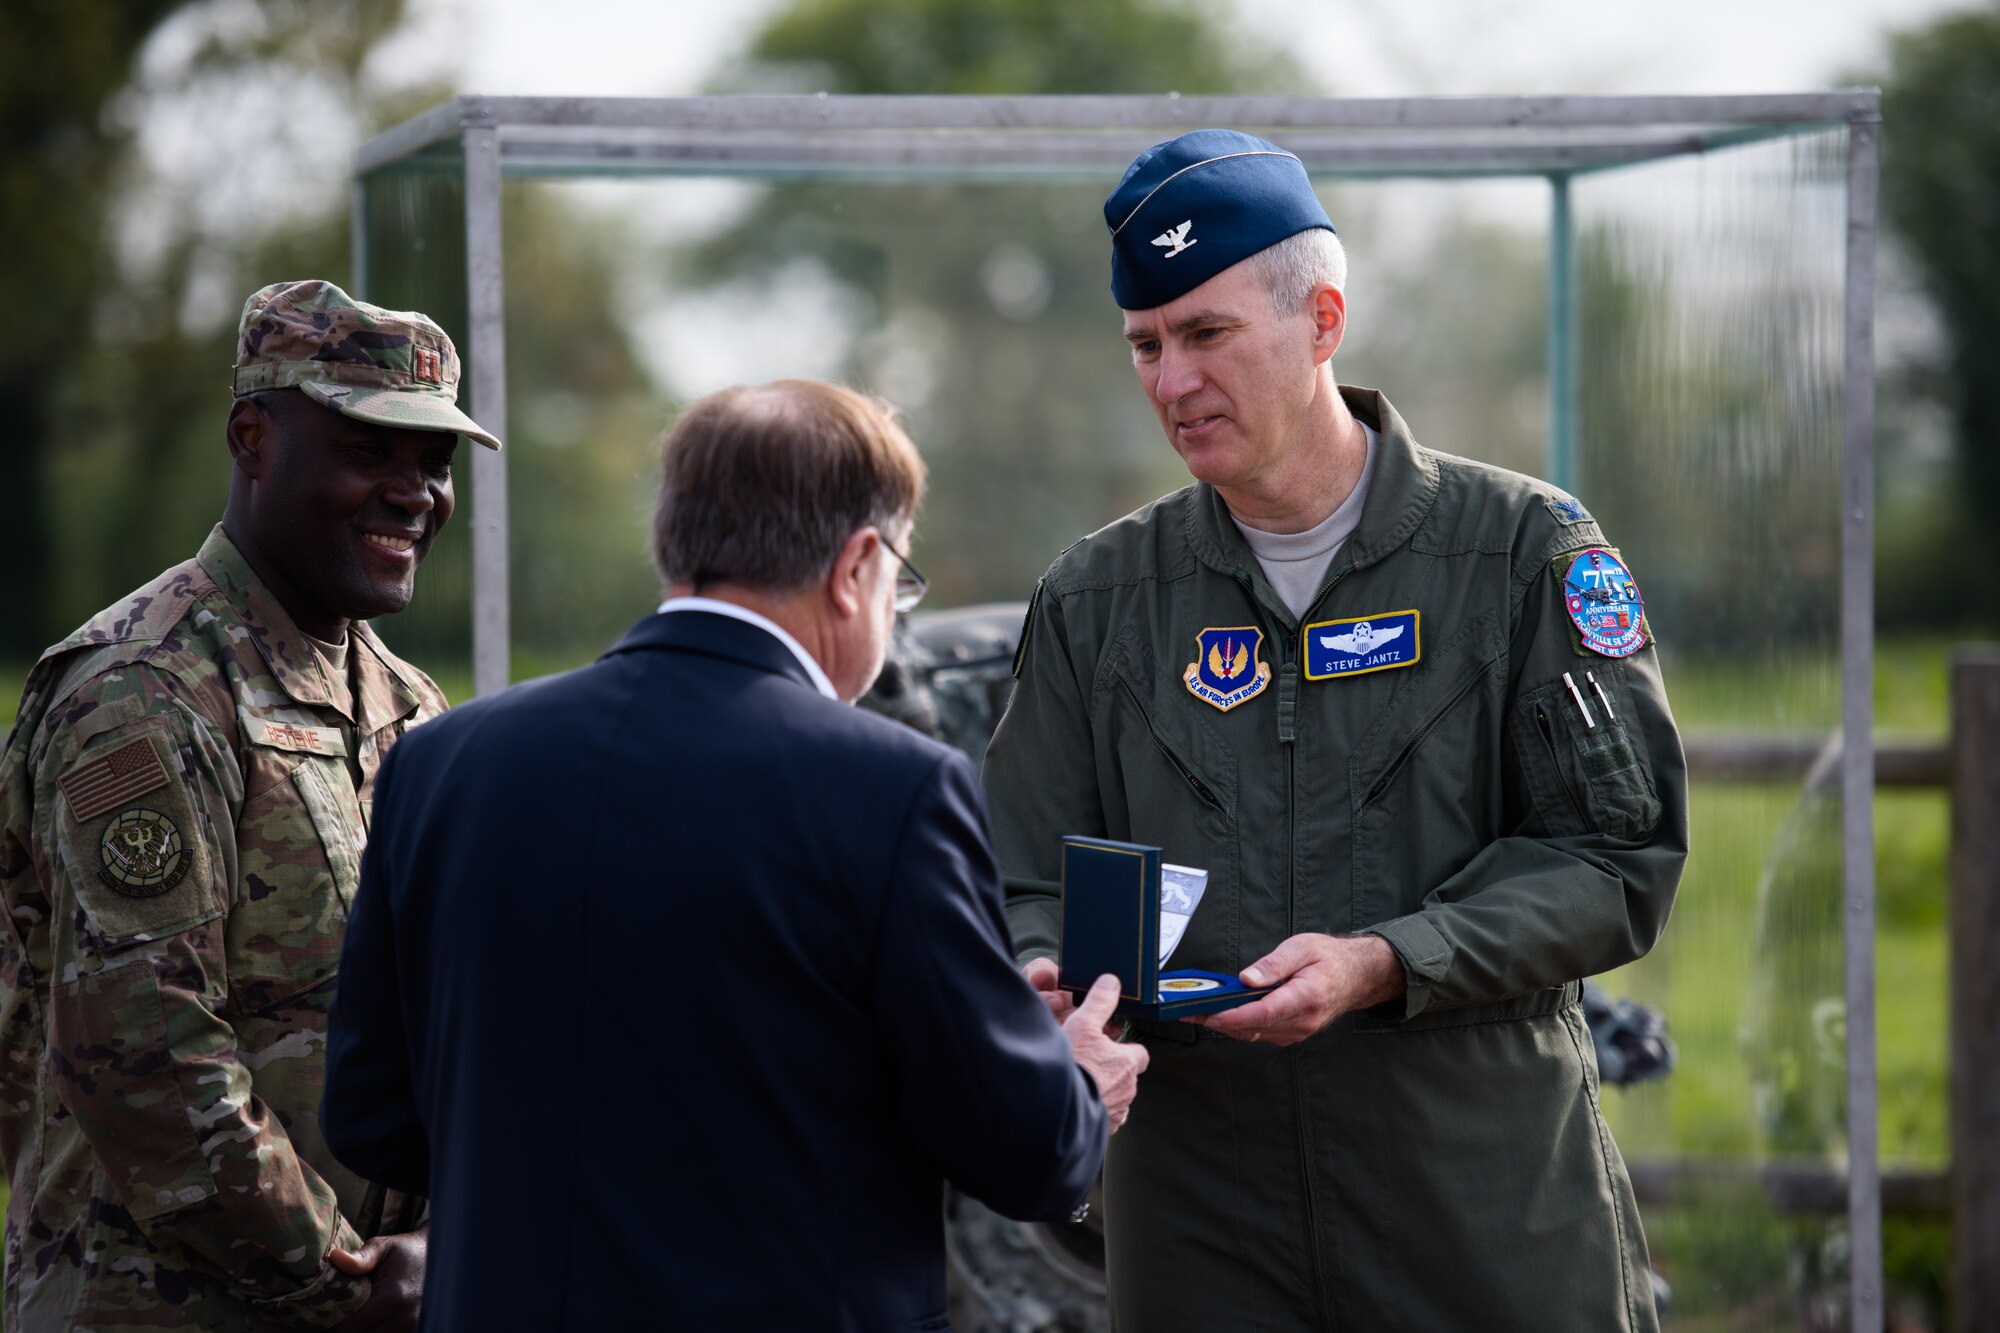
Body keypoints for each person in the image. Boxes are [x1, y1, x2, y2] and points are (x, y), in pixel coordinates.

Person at [984, 129, 1689, 1331]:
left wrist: (1386, 958)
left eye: (1206, 334)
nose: (1169, 381)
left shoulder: (1521, 553)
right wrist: (1040, 971)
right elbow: (1019, 871)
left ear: (1320, 320)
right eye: (1145, 346)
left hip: (1476, 1200)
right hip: (1197, 1221)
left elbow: (1614, 857)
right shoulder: (1099, 598)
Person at [319, 379, 1149, 1330]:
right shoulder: (891, 788)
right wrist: (1071, 1077)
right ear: (858, 565)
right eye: (899, 582)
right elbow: (1026, 1152)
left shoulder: (443, 762)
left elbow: (373, 1116)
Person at [0, 279, 499, 1331]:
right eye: (371, 450)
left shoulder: (411, 706)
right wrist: (346, 1278)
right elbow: (145, 1052)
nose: (415, 492)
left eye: (434, 463)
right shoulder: (144, 689)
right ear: (251, 437)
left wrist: (449, 1236)